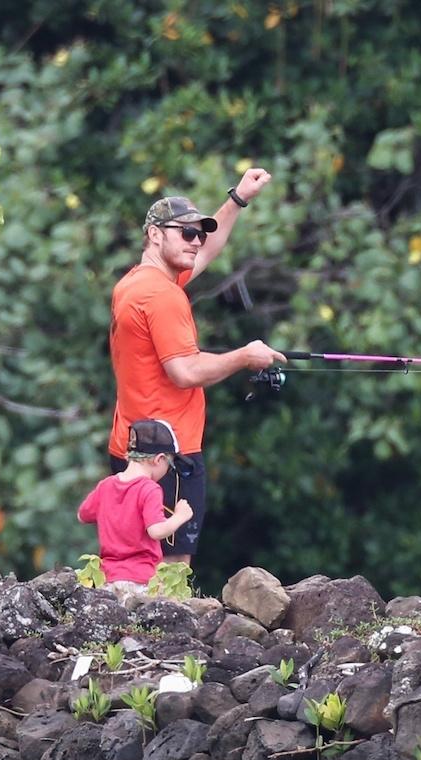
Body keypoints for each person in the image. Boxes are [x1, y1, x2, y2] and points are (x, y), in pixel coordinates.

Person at [107, 168, 286, 565]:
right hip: (168, 456)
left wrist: (237, 200)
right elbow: (184, 372)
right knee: (169, 573)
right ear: (155, 234)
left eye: (198, 232)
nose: (196, 241)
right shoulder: (161, 297)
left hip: (131, 447)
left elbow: (204, 252)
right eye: (185, 233)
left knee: (133, 564)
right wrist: (244, 356)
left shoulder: (136, 284)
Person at [79, 419, 196, 591]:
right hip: (142, 581)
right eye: (170, 466)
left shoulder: (106, 485)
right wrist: (180, 516)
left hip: (107, 580)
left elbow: (82, 515)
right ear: (159, 459)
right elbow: (156, 531)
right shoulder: (149, 489)